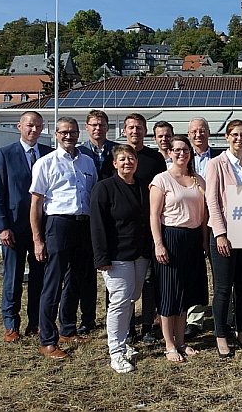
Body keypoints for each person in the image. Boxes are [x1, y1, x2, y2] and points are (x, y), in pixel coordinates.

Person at [29, 117, 98, 360]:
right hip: (58, 224)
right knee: (53, 283)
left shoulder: (88, 162)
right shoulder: (45, 163)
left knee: (76, 281)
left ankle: (67, 329)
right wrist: (38, 239)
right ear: (56, 134)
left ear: (79, 134)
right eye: (64, 132)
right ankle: (47, 339)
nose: (69, 136)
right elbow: (36, 203)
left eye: (73, 132)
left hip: (83, 225)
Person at [102, 114, 167, 344]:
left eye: (139, 127)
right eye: (130, 127)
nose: (135, 131)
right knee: (121, 290)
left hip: (148, 231)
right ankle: (125, 331)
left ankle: (148, 325)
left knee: (148, 282)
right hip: (120, 237)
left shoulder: (154, 158)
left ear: (145, 130)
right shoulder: (113, 158)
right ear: (124, 131)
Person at [0, 111, 52, 342]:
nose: (33, 130)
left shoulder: (48, 154)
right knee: (13, 277)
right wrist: (2, 226)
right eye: (29, 126)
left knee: (39, 277)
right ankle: (11, 324)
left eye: (38, 126)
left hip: (42, 229)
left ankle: (35, 321)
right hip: (14, 228)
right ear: (19, 126)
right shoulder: (5, 154)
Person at [90, 144, 151, 372]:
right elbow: (97, 226)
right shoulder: (104, 188)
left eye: (131, 158)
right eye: (123, 159)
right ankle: (116, 352)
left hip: (140, 254)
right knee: (119, 302)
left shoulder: (144, 186)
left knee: (132, 298)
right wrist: (101, 258)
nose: (128, 162)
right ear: (115, 164)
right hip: (116, 257)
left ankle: (124, 344)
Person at [150, 135, 209, 363]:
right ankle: (169, 344)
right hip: (170, 238)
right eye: (177, 150)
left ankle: (182, 340)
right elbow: (154, 215)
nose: (181, 154)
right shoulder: (161, 180)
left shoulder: (198, 180)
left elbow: (203, 216)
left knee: (184, 294)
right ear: (170, 152)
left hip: (192, 239)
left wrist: (204, 241)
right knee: (169, 295)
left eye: (185, 150)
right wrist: (158, 244)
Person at [206, 120, 242, 358]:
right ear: (227, 137)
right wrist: (220, 233)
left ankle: (241, 330)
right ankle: (220, 335)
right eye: (235, 134)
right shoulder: (216, 163)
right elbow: (213, 201)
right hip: (224, 234)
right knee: (223, 289)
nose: (239, 138)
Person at [76, 109, 119, 336]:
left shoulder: (117, 151)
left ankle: (115, 314)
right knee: (86, 272)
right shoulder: (79, 152)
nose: (97, 128)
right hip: (88, 219)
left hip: (113, 219)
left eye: (101, 124)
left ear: (107, 127)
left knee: (114, 271)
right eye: (93, 124)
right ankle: (88, 317)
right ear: (87, 127)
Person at [184, 117, 222, 339]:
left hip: (215, 220)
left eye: (202, 130)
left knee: (218, 272)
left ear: (209, 133)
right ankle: (194, 319)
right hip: (190, 222)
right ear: (188, 135)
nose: (198, 134)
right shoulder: (180, 158)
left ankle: (222, 313)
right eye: (194, 131)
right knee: (193, 273)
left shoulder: (220, 158)